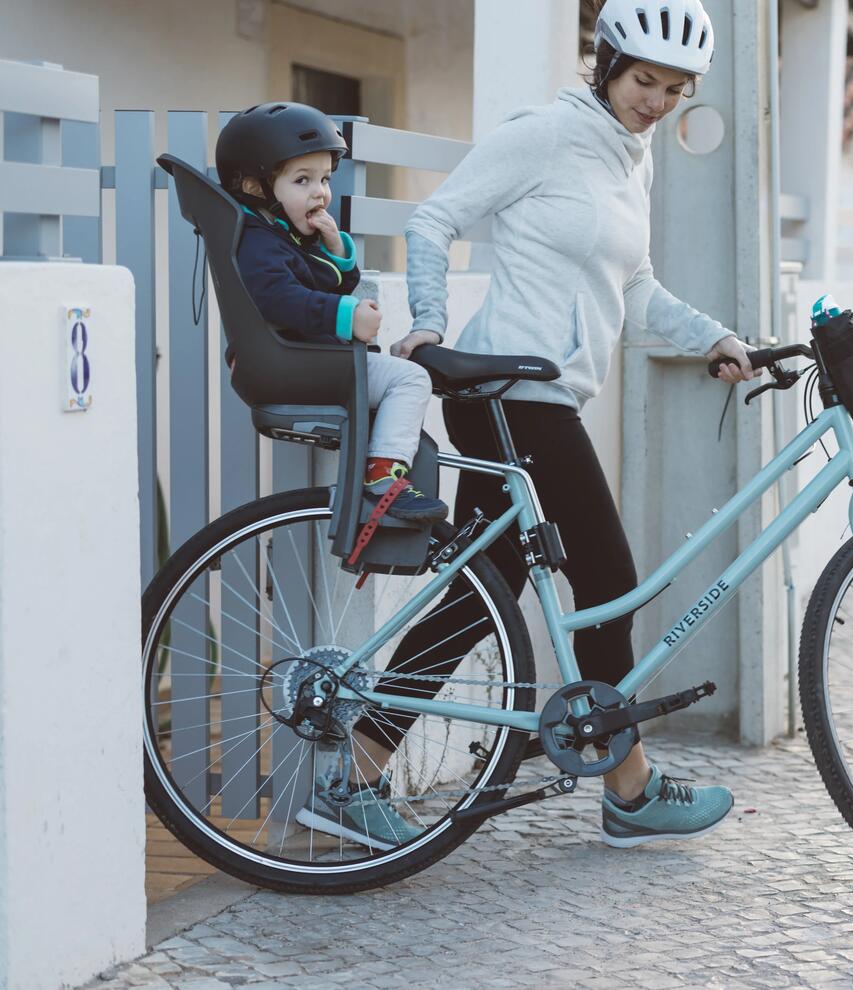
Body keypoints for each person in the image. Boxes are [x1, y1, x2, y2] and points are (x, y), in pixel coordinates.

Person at [303, 0, 759, 852]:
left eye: (674, 88)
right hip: (508, 392)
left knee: (488, 595)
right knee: (608, 578)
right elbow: (435, 220)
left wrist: (715, 339)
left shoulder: (635, 160)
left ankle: (356, 771)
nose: (656, 100)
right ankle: (629, 788)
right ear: (607, 65)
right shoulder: (546, 134)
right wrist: (430, 323)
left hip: (544, 397)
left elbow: (637, 286)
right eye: (643, 80)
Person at [216, 102, 450, 526]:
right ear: (254, 186)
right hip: (289, 361)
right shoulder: (258, 242)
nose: (320, 192)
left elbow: (326, 281)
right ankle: (383, 477)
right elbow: (279, 298)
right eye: (302, 180)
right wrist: (347, 317)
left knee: (391, 373)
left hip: (293, 358)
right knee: (411, 378)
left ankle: (381, 465)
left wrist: (336, 250)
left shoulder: (273, 232)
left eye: (324, 179)